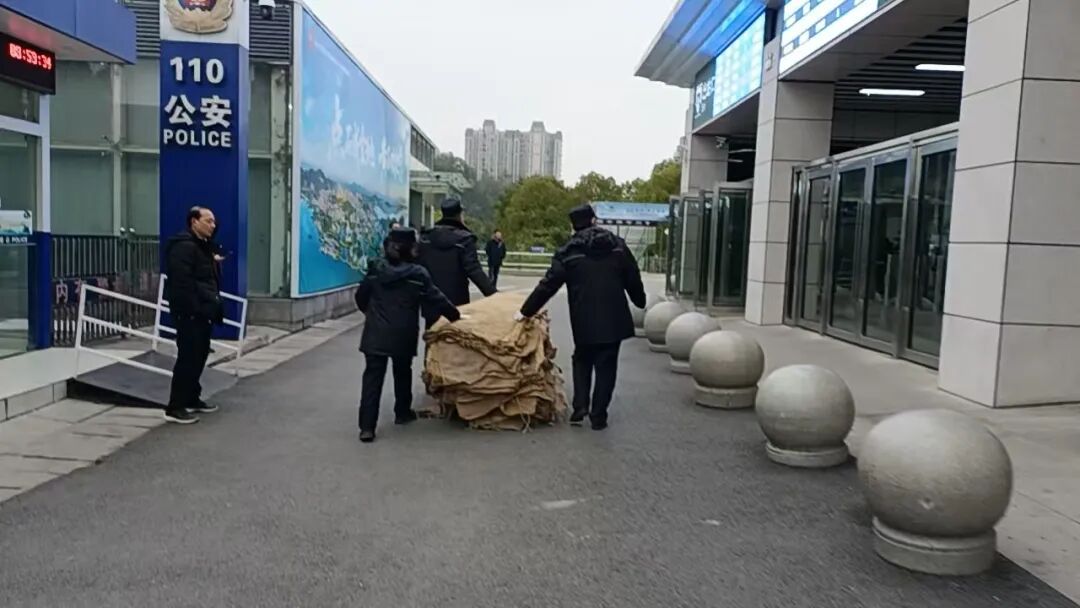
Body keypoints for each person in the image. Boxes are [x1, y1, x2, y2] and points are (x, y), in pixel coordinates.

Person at [516, 204, 646, 430]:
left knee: (582, 358)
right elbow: (632, 276)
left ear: (573, 226)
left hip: (583, 317)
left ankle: (580, 407)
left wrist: (525, 311)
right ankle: (599, 416)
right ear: (594, 220)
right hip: (614, 317)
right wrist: (639, 300)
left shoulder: (568, 252)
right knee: (607, 365)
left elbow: (548, 285)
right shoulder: (617, 246)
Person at [354, 228, 462, 443]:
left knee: (372, 378)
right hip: (403, 332)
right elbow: (436, 298)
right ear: (411, 249)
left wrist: (372, 315)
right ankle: (402, 412)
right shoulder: (418, 274)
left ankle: (367, 427)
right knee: (402, 371)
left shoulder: (375, 270)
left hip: (375, 332)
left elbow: (361, 297)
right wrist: (456, 315)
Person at [163, 206, 226, 425]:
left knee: (199, 356)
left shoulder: (202, 246)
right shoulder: (183, 247)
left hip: (204, 312)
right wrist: (193, 309)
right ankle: (175, 406)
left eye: (214, 222)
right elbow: (182, 284)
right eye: (208, 221)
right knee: (187, 358)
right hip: (190, 313)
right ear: (194, 222)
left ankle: (192, 397)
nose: (213, 226)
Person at [418, 198, 495, 320]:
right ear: (459, 215)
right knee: (453, 331)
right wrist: (494, 296)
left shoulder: (426, 238)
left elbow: (418, 267)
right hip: (457, 302)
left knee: (432, 331)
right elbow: (474, 270)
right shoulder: (465, 240)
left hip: (431, 301)